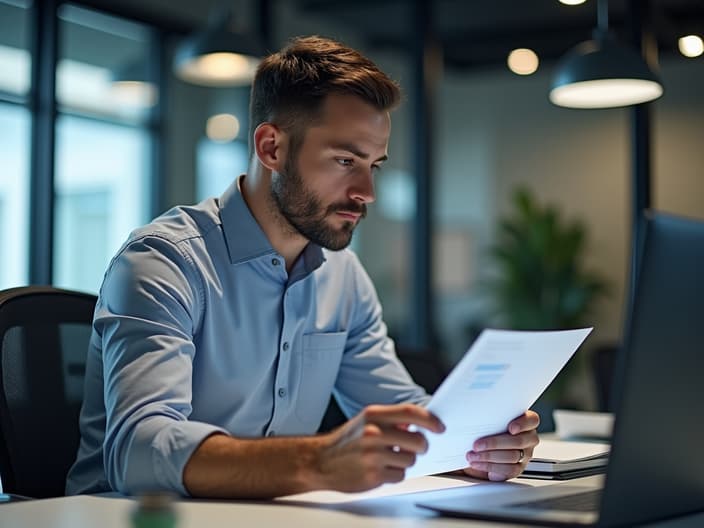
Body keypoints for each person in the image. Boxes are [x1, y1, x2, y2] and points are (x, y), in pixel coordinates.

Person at [66, 35, 539, 499]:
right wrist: (319, 461)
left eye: (373, 165)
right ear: (272, 148)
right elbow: (139, 453)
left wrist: (480, 444)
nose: (366, 192)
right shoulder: (164, 262)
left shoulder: (343, 275)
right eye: (344, 160)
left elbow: (406, 414)